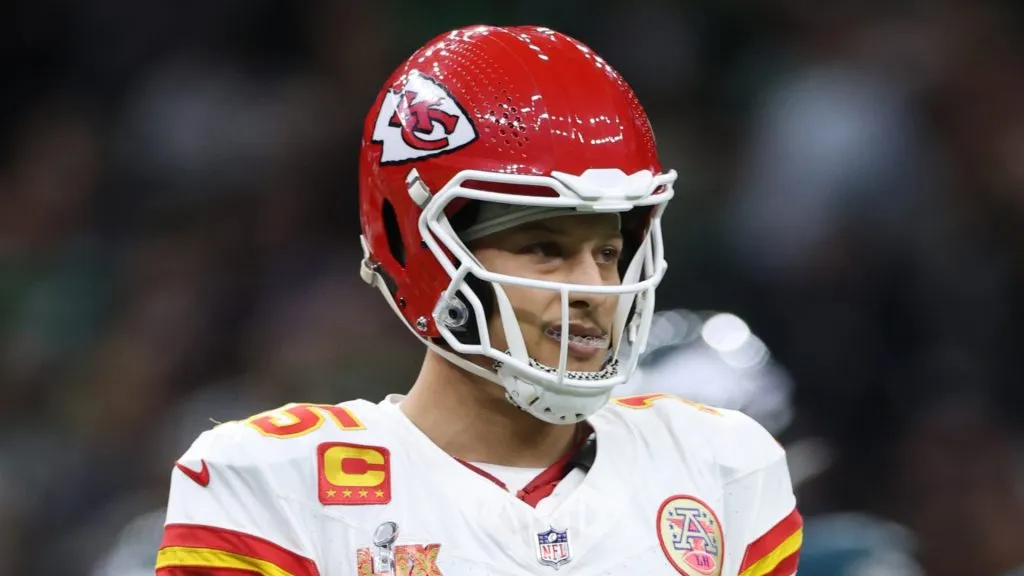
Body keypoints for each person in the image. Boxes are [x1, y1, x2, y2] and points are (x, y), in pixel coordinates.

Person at [155, 25, 801, 576]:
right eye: (545, 248)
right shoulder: (275, 488)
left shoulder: (719, 468)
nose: (597, 290)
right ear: (423, 254)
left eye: (608, 253)